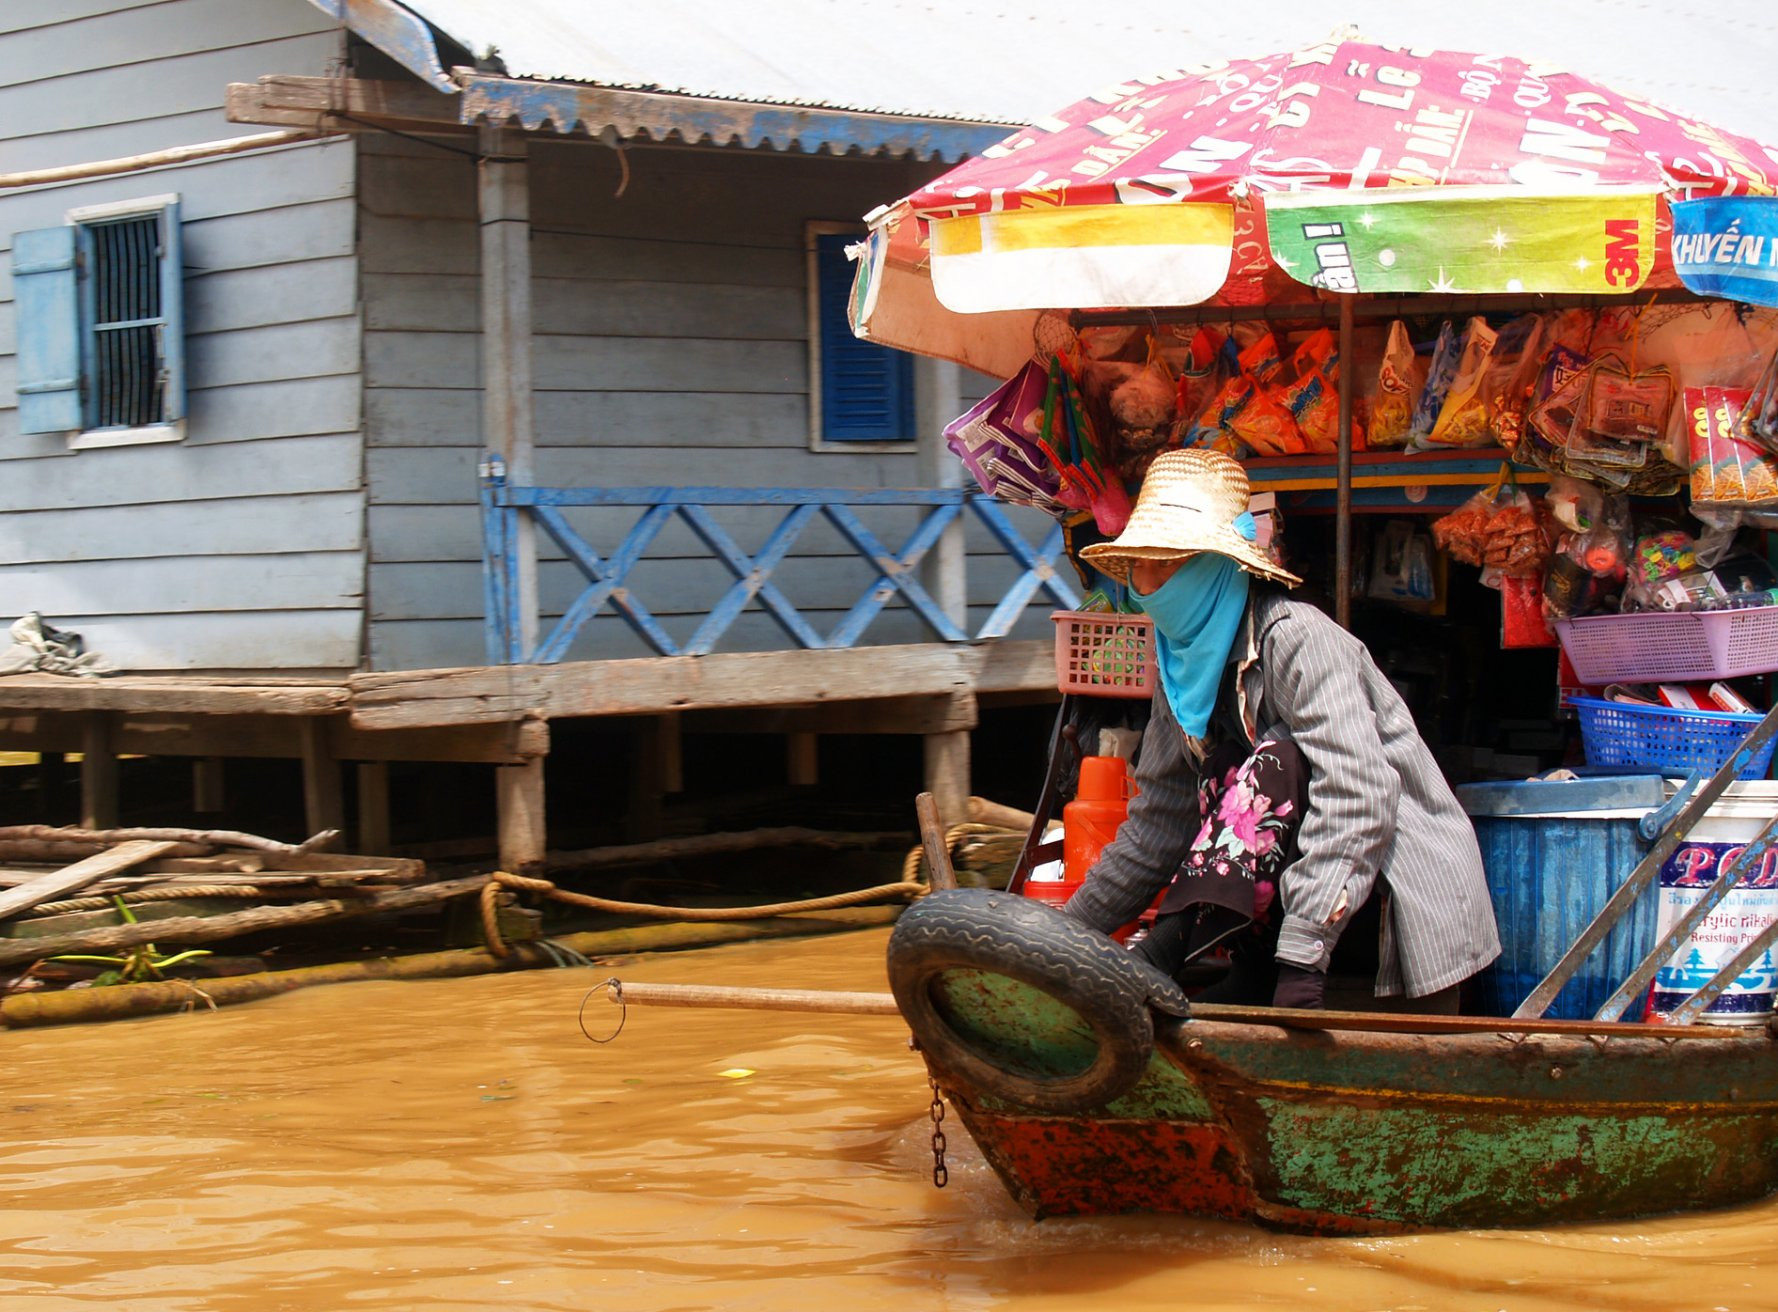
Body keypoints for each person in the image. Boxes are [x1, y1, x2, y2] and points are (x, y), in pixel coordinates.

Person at [1063, 449, 1501, 1012]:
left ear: (1219, 565)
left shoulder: (1297, 641)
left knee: (1278, 759)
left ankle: (1185, 952)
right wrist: (1062, 938)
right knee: (1229, 770)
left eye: (1167, 565)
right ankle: (1185, 954)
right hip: (1284, 936)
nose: (1148, 586)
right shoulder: (1179, 670)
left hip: (1382, 919)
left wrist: (1301, 954)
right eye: (1139, 568)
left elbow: (1357, 795)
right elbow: (1157, 824)